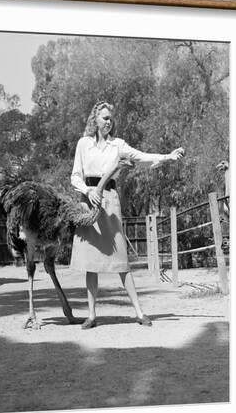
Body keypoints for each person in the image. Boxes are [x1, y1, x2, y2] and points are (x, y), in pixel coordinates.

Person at [70, 101, 184, 329]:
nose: (108, 122)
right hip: (88, 202)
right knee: (91, 263)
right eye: (104, 118)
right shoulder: (83, 144)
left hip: (110, 202)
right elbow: (75, 177)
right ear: (95, 120)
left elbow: (141, 156)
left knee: (121, 260)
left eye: (110, 118)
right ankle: (91, 315)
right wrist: (87, 191)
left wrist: (167, 156)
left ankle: (139, 313)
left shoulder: (118, 145)